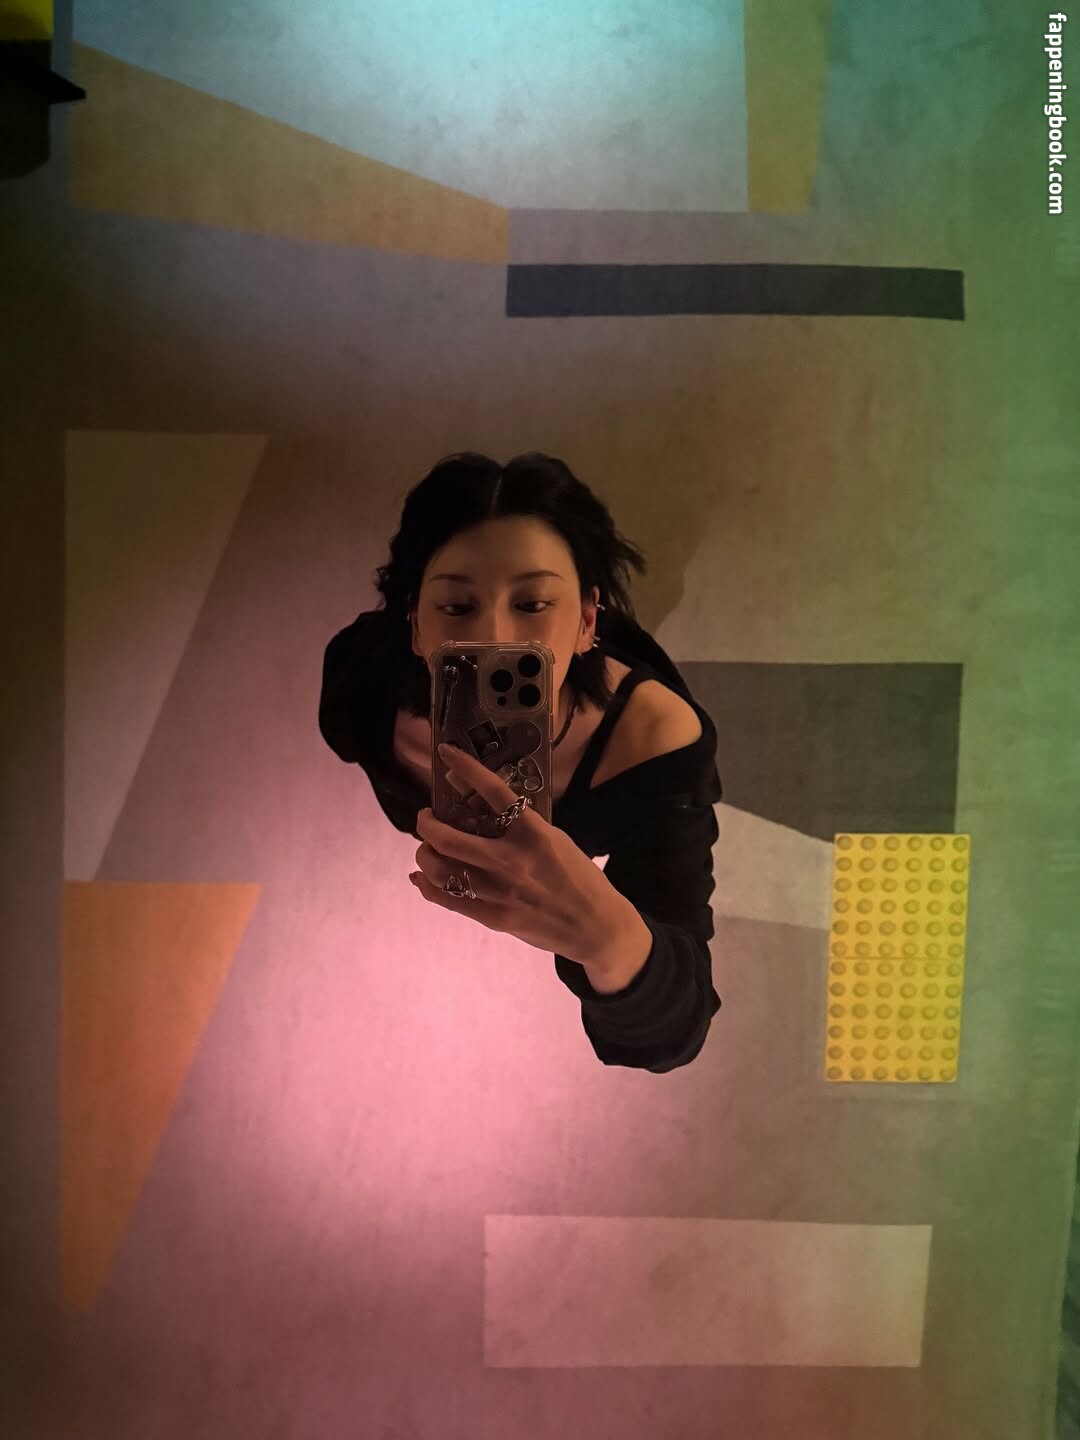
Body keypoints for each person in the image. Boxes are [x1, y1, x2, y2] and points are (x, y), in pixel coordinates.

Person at [318, 451, 723, 1073]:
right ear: (415, 625)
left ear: (587, 620)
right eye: (457, 607)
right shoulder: (363, 687)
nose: (496, 638)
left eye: (533, 604)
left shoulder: (657, 744)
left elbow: (676, 1025)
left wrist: (611, 942)